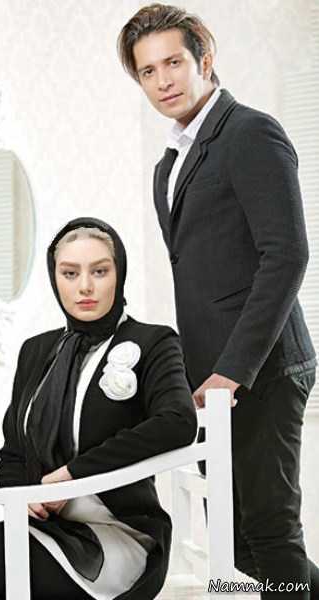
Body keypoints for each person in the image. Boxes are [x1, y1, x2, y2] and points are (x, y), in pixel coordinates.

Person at [117, 4, 318, 598]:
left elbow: (287, 254)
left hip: (262, 367)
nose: (163, 81)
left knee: (269, 533)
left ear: (204, 59)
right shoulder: (168, 166)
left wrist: (234, 369)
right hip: (210, 378)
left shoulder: (250, 133)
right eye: (147, 71)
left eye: (173, 62)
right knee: (234, 544)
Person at [0, 217, 197, 600]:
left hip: (117, 536)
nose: (85, 286)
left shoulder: (153, 342)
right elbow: (14, 449)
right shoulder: (37, 350)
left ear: (119, 273)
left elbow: (177, 422)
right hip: (47, 529)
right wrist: (20, 499)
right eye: (70, 273)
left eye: (99, 271)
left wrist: (71, 475)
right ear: (55, 278)